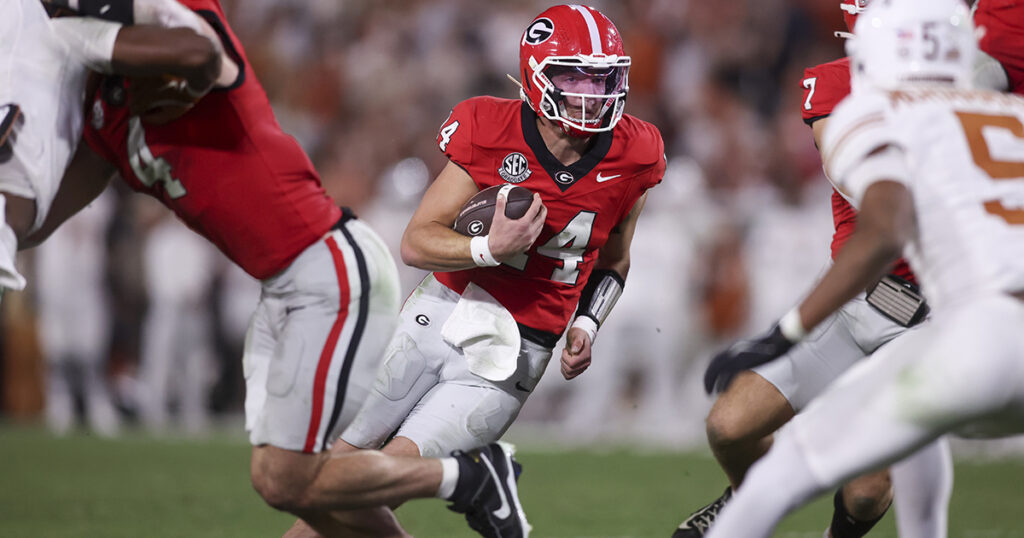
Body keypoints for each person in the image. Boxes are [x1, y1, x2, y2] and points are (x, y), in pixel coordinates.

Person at [36, 1, 529, 536]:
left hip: (328, 272)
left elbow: (199, 52)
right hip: (288, 287)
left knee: (283, 479)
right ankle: (467, 479)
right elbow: (39, 213)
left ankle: (466, 478)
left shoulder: (183, 35)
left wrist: (62, 33)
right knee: (305, 493)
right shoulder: (103, 114)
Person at [307, 2, 662, 533]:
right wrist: (489, 249)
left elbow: (615, 260)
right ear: (536, 75)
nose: (589, 94)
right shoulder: (488, 126)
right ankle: (483, 483)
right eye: (572, 76)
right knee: (320, 479)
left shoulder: (637, 151)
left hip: (515, 348)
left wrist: (587, 324)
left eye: (601, 78)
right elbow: (417, 241)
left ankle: (481, 482)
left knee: (386, 475)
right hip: (438, 310)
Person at [704, 0, 1024, 536]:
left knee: (804, 475)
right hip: (959, 325)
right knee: (741, 428)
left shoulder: (881, 111)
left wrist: (785, 332)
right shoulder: (1006, 110)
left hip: (953, 325)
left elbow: (882, 228)